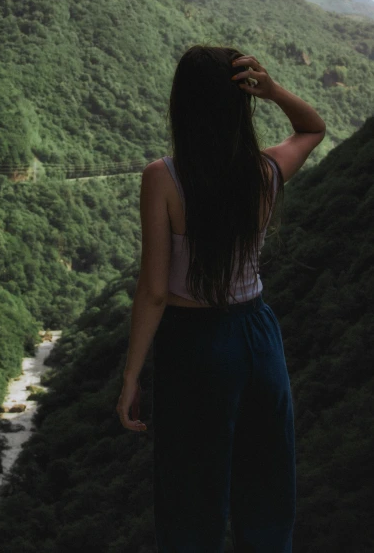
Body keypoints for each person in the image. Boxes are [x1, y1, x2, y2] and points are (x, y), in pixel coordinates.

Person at [116, 46, 326, 552]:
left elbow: (155, 290)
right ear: (240, 104)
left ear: (181, 106)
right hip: (258, 336)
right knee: (267, 486)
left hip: (196, 343)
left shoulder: (163, 177)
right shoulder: (264, 171)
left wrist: (130, 377)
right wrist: (273, 92)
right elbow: (312, 129)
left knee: (191, 494)